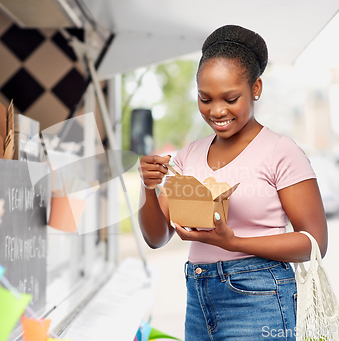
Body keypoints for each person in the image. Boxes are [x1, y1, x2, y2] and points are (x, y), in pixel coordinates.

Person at [137, 25, 328, 341]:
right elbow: (157, 238)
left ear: (256, 88)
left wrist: (232, 242)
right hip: (199, 296)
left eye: (230, 98)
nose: (217, 111)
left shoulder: (281, 151)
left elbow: (315, 243)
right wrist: (148, 187)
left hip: (261, 296)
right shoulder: (189, 156)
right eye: (205, 98)